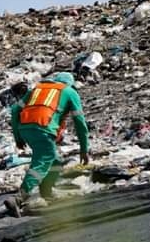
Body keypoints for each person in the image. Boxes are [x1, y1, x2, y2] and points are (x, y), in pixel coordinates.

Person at [10, 72, 90, 209]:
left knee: (55, 160)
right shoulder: (69, 91)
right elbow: (79, 122)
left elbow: (15, 110)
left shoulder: (38, 88)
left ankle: (46, 193)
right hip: (43, 127)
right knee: (42, 161)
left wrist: (18, 137)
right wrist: (84, 149)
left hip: (25, 128)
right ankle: (20, 196)